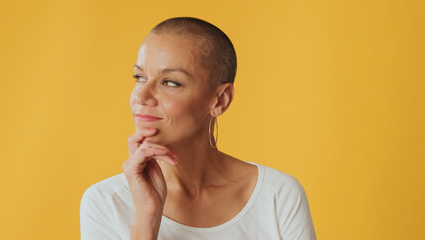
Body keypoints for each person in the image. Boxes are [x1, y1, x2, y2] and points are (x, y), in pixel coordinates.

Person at [80, 17, 316, 240]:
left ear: (220, 100)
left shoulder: (277, 195)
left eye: (170, 82)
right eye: (140, 77)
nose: (141, 96)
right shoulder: (105, 202)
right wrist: (147, 218)